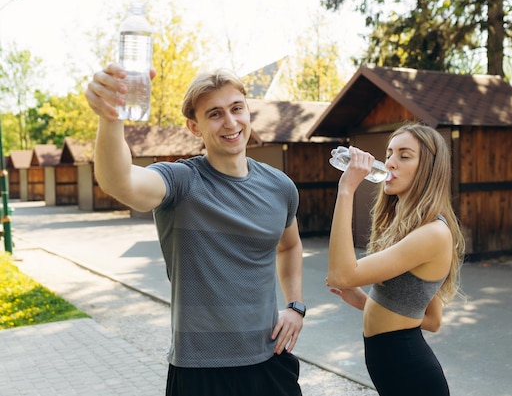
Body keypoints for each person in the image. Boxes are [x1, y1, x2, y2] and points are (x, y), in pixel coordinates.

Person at [85, 64, 305, 396]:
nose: (230, 122)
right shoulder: (181, 182)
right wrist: (110, 117)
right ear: (195, 127)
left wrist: (295, 305)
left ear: (248, 111)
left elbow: (289, 247)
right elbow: (120, 181)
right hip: (200, 372)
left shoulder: (280, 187)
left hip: (271, 362)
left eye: (236, 108)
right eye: (214, 114)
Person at [326, 122, 465, 396]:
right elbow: (432, 320)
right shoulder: (410, 228)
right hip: (398, 370)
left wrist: (346, 191)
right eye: (389, 154)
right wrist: (365, 303)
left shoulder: (432, 234)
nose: (389, 163)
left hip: (411, 375)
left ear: (429, 169)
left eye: (404, 155)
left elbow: (341, 274)